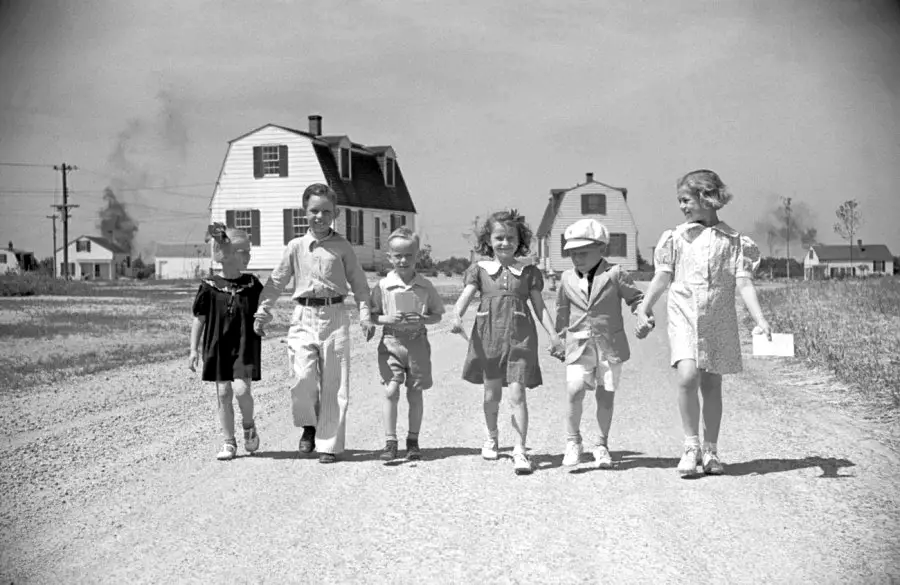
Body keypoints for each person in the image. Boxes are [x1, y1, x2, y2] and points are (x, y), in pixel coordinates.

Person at [636, 169, 771, 476]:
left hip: (718, 317)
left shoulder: (735, 241)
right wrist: (644, 308)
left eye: (686, 200)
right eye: (680, 201)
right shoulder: (676, 238)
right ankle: (690, 445)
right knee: (687, 376)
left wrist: (760, 320)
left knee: (711, 383)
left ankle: (711, 450)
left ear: (706, 197)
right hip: (683, 312)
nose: (682, 207)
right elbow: (662, 276)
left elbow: (745, 283)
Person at [253, 183, 373, 464]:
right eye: (314, 211)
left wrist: (365, 314)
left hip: (335, 316)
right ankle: (309, 424)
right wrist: (263, 311)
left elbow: (359, 283)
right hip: (303, 316)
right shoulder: (296, 247)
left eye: (326, 211)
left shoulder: (343, 247)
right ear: (304, 211)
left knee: (334, 382)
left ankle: (328, 444)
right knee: (302, 377)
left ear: (336, 213)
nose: (319, 216)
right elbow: (276, 281)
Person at [451, 209, 561, 475]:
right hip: (488, 338)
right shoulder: (480, 270)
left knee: (517, 393)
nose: (505, 243)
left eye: (510, 237)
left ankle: (520, 450)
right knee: (491, 394)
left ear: (519, 240)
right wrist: (456, 315)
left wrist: (554, 334)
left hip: (520, 338)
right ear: (489, 240)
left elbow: (539, 307)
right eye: (499, 237)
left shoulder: (528, 272)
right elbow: (465, 298)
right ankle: (491, 436)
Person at [552, 218, 652, 469]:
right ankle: (573, 441)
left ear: (602, 249)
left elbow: (636, 299)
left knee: (605, 396)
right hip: (577, 345)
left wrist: (644, 316)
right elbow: (562, 312)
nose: (577, 257)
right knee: (574, 390)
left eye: (583, 251)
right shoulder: (565, 278)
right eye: (572, 253)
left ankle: (601, 444)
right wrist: (558, 338)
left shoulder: (615, 273)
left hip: (609, 345)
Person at [368, 227, 445, 461]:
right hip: (391, 342)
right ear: (389, 257)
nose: (403, 260)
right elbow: (372, 315)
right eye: (397, 255)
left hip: (417, 343)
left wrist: (424, 319)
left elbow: (437, 314)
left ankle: (413, 441)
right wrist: (385, 319)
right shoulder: (382, 286)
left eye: (408, 255)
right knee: (391, 390)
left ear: (417, 256)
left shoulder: (425, 286)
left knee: (415, 393)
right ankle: (390, 441)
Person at [189, 224, 263, 461]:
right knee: (223, 393)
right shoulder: (209, 286)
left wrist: (264, 320)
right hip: (218, 345)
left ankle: (249, 425)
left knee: (242, 390)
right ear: (229, 255)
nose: (249, 256)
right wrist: (193, 350)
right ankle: (229, 442)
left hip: (244, 345)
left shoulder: (252, 285)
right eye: (245, 252)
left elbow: (264, 308)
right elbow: (199, 320)